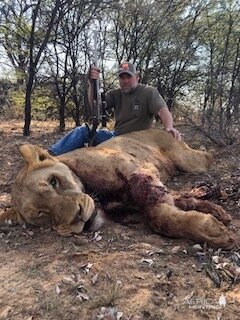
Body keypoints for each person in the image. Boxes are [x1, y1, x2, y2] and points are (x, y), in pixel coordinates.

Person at [49, 62, 181, 155]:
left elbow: (163, 111)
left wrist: (169, 127)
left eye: (128, 77)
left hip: (139, 141)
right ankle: (50, 155)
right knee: (83, 131)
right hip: (117, 137)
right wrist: (91, 83)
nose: (125, 81)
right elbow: (96, 106)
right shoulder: (115, 94)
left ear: (137, 77)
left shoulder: (148, 92)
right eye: (122, 77)